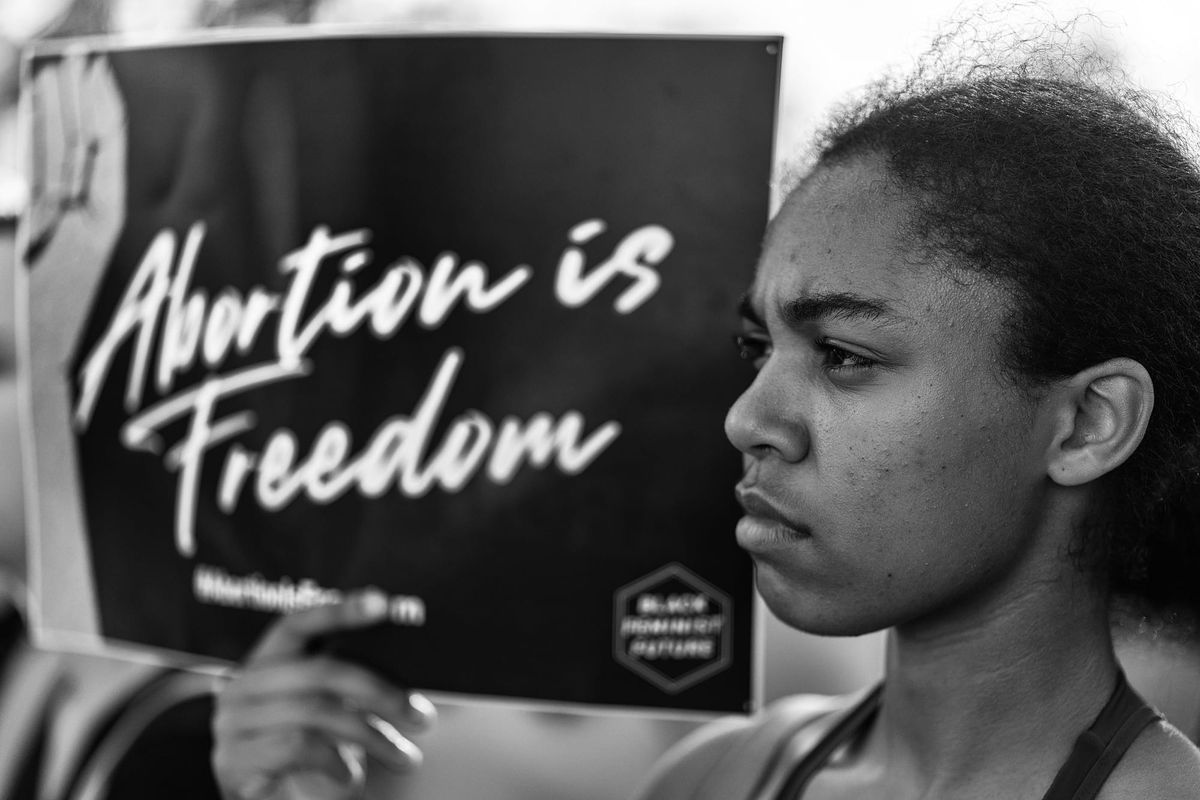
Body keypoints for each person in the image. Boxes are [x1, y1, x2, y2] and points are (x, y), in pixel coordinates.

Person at [211, 26, 1200, 800]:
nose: (749, 417)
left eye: (846, 356)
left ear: (1087, 423)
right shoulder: (717, 775)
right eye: (756, 347)